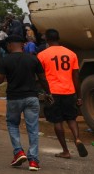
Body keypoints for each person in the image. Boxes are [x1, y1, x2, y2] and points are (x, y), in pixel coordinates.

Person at [0, 34, 50, 171]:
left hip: (14, 98)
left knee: (13, 124)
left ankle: (19, 152)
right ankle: (33, 161)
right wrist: (48, 93)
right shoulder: (33, 58)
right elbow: (43, 79)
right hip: (32, 97)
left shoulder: (5, 60)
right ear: (23, 44)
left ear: (9, 45)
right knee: (33, 128)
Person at [37, 29, 88, 159]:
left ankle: (65, 151)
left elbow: (41, 77)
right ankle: (77, 139)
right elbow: (76, 76)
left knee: (57, 121)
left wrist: (45, 92)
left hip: (53, 92)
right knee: (71, 118)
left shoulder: (42, 55)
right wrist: (79, 96)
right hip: (69, 91)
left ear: (47, 40)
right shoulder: (71, 54)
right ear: (58, 38)